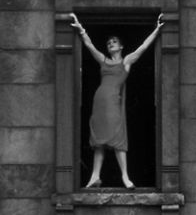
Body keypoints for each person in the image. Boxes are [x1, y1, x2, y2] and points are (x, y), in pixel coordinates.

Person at [68, 15, 164, 188]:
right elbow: (89, 45)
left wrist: (157, 30)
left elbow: (143, 47)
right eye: (108, 42)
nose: (110, 44)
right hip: (99, 104)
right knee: (98, 141)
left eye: (114, 41)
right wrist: (81, 29)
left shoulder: (126, 61)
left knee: (117, 137)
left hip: (113, 103)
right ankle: (94, 177)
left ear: (121, 46)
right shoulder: (103, 61)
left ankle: (125, 177)